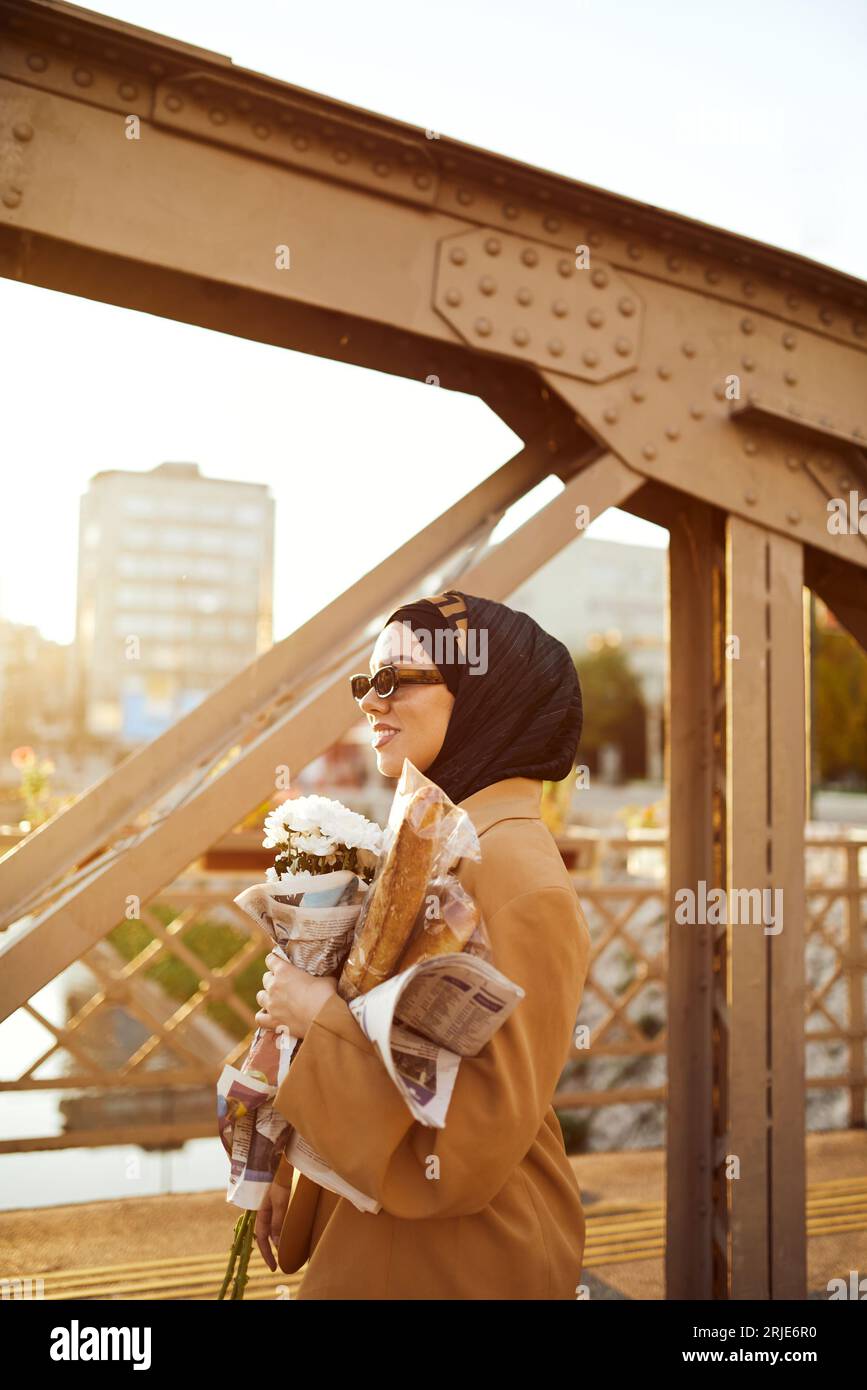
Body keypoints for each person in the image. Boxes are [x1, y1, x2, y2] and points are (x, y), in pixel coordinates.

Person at [253, 589, 591, 1299]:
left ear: (483, 694)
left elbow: (467, 1142)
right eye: (362, 683)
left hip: (464, 1259)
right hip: (390, 1229)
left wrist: (315, 1012)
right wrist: (295, 1168)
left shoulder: (516, 875)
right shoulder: (435, 845)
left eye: (393, 679)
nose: (370, 703)